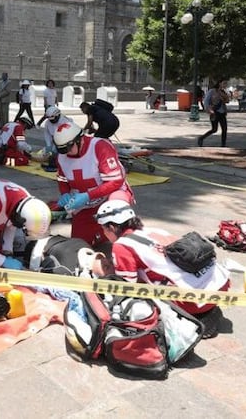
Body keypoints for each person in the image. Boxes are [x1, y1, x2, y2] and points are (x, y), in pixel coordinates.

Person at [95, 200, 230, 315]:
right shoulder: (154, 231)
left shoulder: (122, 246)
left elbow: (126, 286)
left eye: (103, 229)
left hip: (195, 302)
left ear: (112, 227)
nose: (103, 233)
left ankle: (196, 316)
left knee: (138, 298)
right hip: (220, 282)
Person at [52, 119, 134, 247]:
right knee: (77, 244)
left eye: (68, 148)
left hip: (109, 195)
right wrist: (65, 193)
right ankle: (101, 233)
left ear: (80, 139)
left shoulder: (100, 147)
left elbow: (115, 181)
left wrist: (87, 195)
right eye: (61, 150)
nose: (66, 153)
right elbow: (62, 179)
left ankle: (129, 242)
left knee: (117, 206)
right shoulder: (62, 157)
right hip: (86, 202)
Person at [198, 78, 230, 147]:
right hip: (214, 112)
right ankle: (201, 138)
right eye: (224, 83)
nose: (225, 85)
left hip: (222, 112)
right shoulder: (212, 91)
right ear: (219, 83)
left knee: (224, 129)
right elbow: (206, 101)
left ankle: (223, 144)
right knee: (214, 129)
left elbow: (227, 101)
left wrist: (225, 98)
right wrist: (209, 110)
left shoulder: (223, 92)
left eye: (226, 83)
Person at [39, 105, 71, 172]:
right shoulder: (48, 123)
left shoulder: (66, 122)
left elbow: (68, 137)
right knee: (47, 153)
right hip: (55, 141)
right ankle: (53, 163)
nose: (51, 121)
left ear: (58, 115)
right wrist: (48, 145)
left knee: (59, 154)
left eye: (53, 119)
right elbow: (47, 134)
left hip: (67, 141)